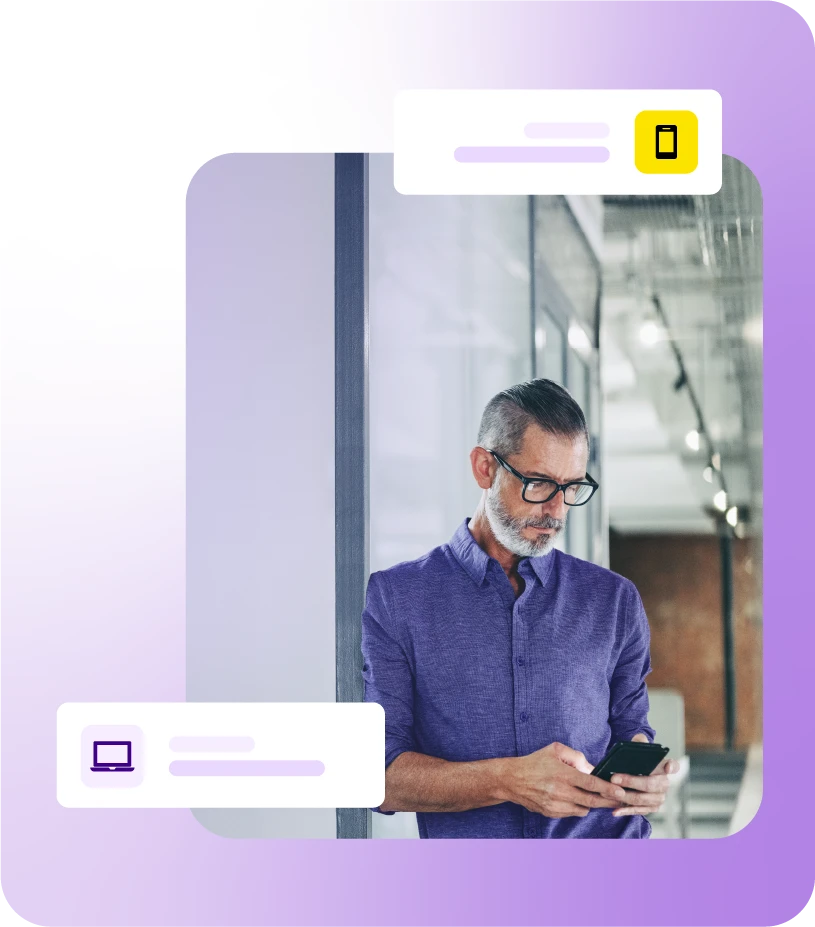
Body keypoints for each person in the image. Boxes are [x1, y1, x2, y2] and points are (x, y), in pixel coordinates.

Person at [361, 378, 680, 839]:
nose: (556, 509)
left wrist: (646, 778)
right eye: (538, 483)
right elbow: (379, 777)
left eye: (571, 487)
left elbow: (632, 727)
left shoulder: (614, 600)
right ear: (484, 468)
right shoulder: (398, 598)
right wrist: (509, 780)